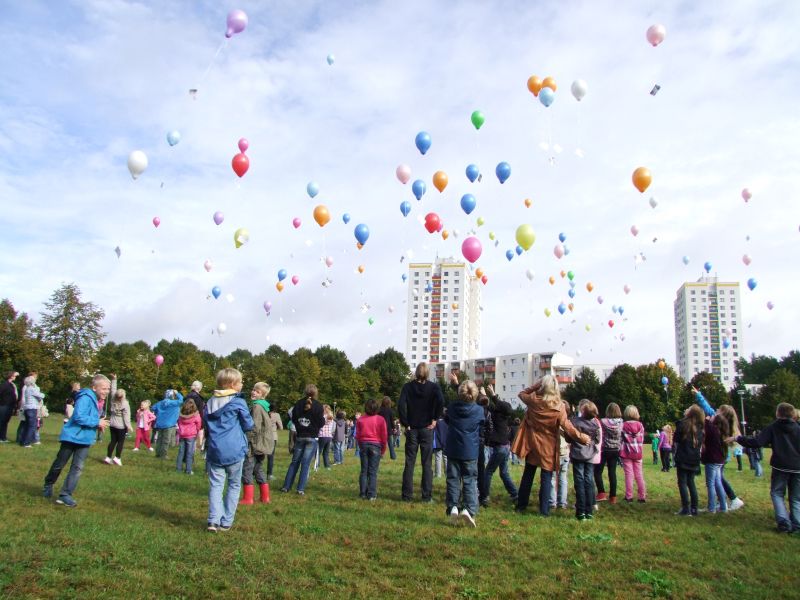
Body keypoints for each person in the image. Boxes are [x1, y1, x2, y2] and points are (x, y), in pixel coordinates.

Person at [513, 376, 589, 516]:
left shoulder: (533, 400)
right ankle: (544, 510)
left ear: (543, 386)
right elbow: (568, 428)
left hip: (533, 443)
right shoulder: (559, 406)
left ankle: (521, 506)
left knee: (528, 475)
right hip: (549, 445)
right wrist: (582, 438)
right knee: (546, 478)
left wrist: (535, 386)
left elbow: (521, 394)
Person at [43, 375, 111, 507]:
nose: (106, 392)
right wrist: (97, 421)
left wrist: (98, 425)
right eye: (103, 388)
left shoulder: (97, 401)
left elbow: (89, 418)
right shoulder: (86, 398)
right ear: (94, 387)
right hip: (72, 437)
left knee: (77, 468)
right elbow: (79, 417)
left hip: (85, 440)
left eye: (108, 389)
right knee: (60, 464)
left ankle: (65, 495)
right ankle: (48, 483)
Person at [736, 403, 800, 533]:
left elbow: (757, 442)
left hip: (780, 466)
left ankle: (784, 523)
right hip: (797, 467)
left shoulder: (773, 428)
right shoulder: (798, 428)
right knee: (796, 497)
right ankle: (797, 524)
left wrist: (739, 439)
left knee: (777, 493)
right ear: (793, 414)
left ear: (778, 413)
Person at [203, 368, 254, 532]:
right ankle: (226, 522)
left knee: (216, 486)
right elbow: (248, 424)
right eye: (240, 381)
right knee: (233, 484)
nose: (242, 384)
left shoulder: (209, 402)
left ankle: (213, 520)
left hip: (215, 450)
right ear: (232, 385)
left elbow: (206, 425)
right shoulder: (238, 402)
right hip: (234, 449)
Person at [692, 387, 746, 511]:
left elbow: (707, 409)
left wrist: (698, 395)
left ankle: (730, 500)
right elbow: (708, 408)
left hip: (716, 457)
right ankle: (722, 503)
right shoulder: (725, 425)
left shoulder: (718, 424)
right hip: (721, 457)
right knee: (718, 480)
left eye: (718, 410)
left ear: (722, 414)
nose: (715, 410)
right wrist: (698, 395)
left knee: (717, 480)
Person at [398, 363, 445, 502]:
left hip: (412, 428)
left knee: (409, 463)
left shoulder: (407, 387)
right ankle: (426, 496)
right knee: (427, 464)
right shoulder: (434, 387)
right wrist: (435, 418)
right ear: (427, 372)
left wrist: (405, 423)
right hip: (427, 429)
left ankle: (407, 496)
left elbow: (401, 405)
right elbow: (441, 401)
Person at [445, 381, 485, 527]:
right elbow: (482, 424)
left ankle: (453, 506)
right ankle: (469, 509)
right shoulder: (479, 410)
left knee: (453, 479)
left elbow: (447, 420)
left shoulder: (452, 408)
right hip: (470, 450)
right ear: (475, 394)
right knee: (470, 480)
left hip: (453, 448)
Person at [281, 385, 324, 495]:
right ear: (315, 393)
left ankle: (286, 486)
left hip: (300, 436)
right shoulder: (318, 406)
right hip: (311, 437)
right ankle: (300, 489)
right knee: (305, 464)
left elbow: (294, 419)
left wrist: (300, 426)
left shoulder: (298, 404)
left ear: (305, 392)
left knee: (294, 462)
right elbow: (321, 422)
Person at [484, 384, 518, 506]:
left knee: (488, 472)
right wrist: (483, 395)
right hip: (505, 447)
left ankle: (484, 497)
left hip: (500, 448)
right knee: (504, 473)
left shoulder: (504, 414)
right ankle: (515, 494)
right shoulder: (498, 415)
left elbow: (505, 407)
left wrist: (493, 395)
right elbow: (487, 405)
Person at [241, 382, 274, 504]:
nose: (253, 392)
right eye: (253, 389)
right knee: (258, 469)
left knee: (247, 469)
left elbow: (254, 427)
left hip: (254, 444)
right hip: (262, 444)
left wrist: (248, 441)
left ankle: (248, 498)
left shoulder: (256, 407)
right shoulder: (264, 406)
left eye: (257, 391)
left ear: (263, 395)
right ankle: (265, 497)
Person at [571, 400, 601, 521]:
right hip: (590, 455)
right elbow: (598, 440)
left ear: (582, 411)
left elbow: (570, 437)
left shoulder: (575, 422)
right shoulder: (595, 424)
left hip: (578, 454)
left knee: (579, 482)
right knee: (589, 481)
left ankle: (581, 511)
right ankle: (589, 511)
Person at [673, 404, 705, 516]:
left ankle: (686, 508)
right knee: (691, 483)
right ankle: (694, 508)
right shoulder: (700, 427)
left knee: (682, 482)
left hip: (683, 458)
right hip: (694, 459)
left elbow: (676, 440)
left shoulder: (682, 424)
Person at [356, 398, 388, 500]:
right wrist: (383, 450)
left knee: (364, 470)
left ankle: (363, 493)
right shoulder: (380, 419)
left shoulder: (361, 419)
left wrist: (361, 445)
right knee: (373, 471)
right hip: (376, 446)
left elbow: (358, 435)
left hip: (364, 445)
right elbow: (384, 436)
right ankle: (372, 494)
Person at [701, 408, 730, 513]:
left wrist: (708, 419)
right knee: (718, 482)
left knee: (711, 484)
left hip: (712, 460)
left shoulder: (713, 430)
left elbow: (705, 423)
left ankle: (711, 507)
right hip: (719, 460)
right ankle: (723, 506)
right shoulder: (721, 432)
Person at [595, 403, 623, 504]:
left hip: (604, 449)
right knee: (612, 473)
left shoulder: (602, 421)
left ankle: (601, 492)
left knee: (598, 472)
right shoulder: (621, 422)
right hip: (615, 450)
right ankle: (613, 497)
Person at [620, 405, 647, 503]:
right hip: (638, 452)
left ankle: (629, 496)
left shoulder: (623, 425)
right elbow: (642, 438)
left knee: (629, 474)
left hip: (627, 452)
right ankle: (642, 496)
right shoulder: (640, 425)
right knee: (639, 474)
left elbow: (621, 438)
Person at [152, 388, 184, 458]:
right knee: (166, 440)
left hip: (160, 424)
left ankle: (157, 453)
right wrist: (177, 393)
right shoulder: (174, 403)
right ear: (172, 396)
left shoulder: (160, 403)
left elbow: (153, 408)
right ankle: (164, 455)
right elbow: (181, 400)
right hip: (169, 424)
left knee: (159, 439)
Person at [104, 388, 132, 466]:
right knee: (120, 442)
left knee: (113, 441)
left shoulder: (113, 400)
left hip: (112, 424)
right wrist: (129, 426)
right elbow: (126, 416)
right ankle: (117, 458)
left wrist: (114, 380)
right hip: (121, 426)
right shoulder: (125, 403)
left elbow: (113, 390)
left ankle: (108, 457)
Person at [176, 398, 203, 475]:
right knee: (189, 453)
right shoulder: (196, 415)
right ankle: (188, 470)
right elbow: (198, 425)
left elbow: (178, 422)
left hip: (182, 434)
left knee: (181, 452)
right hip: (191, 435)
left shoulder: (181, 414)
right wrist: (197, 432)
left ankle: (178, 468)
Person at [20, 374, 45, 447]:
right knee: (32, 426)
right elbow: (41, 395)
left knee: (27, 425)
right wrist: (42, 394)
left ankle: (23, 441)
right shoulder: (32, 389)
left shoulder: (27, 389)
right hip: (32, 408)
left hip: (27, 408)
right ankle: (27, 442)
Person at [186, 380, 205, 451]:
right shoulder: (197, 397)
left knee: (187, 436)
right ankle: (190, 454)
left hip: (187, 417)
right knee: (193, 437)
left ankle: (187, 453)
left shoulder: (188, 396)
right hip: (195, 419)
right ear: (199, 388)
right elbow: (199, 410)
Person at [0, 371, 19, 443]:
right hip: (4, 405)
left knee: (5, 422)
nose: (15, 377)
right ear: (11, 376)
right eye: (14, 376)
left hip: (10, 406)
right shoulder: (4, 385)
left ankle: (3, 437)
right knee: (2, 422)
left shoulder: (11, 385)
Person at [266, 404, 283, 478]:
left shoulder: (265, 413)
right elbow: (281, 427)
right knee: (271, 456)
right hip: (273, 436)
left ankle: (255, 473)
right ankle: (269, 474)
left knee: (260, 455)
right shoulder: (276, 415)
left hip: (264, 436)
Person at [317, 405, 335, 469]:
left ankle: (317, 466)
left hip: (322, 436)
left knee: (318, 452)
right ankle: (327, 466)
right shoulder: (331, 418)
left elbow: (318, 426)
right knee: (326, 453)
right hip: (329, 436)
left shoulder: (322, 417)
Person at [433, 411, 448, 478]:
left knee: (438, 458)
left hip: (438, 442)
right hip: (446, 442)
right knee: (446, 458)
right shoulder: (447, 422)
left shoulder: (436, 422)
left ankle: (438, 474)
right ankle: (447, 473)